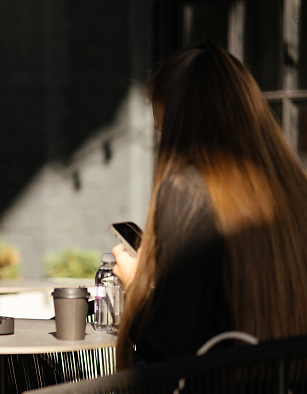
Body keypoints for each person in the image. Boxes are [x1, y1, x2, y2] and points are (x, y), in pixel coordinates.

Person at [112, 42, 307, 369]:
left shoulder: (187, 190)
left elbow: (168, 345)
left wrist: (134, 286)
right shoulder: (294, 186)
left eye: (164, 132)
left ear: (181, 126)